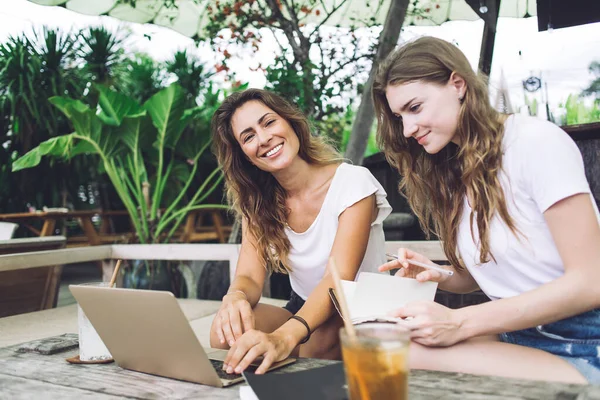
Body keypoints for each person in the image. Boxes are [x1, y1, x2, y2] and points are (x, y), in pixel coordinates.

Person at [374, 36, 600, 384]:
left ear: (458, 85)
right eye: (399, 116)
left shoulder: (534, 143)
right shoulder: (458, 170)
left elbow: (591, 282)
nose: (407, 130)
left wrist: (459, 322)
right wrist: (442, 274)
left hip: (585, 342)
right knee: (383, 342)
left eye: (415, 108)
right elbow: (493, 278)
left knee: (397, 353)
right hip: (517, 335)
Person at [209, 89, 392, 375]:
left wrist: (284, 337)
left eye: (268, 122)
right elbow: (248, 277)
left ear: (291, 122)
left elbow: (338, 279)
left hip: (359, 308)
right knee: (224, 334)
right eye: (248, 136)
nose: (264, 138)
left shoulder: (352, 182)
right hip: (304, 306)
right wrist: (235, 298)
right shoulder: (258, 203)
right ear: (244, 156)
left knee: (312, 349)